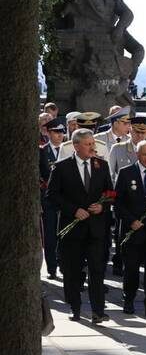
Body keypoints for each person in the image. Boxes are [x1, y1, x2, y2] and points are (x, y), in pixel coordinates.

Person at [46, 128, 114, 323]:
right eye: (88, 144)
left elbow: (110, 194)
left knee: (97, 270)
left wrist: (101, 206)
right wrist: (73, 210)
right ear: (76, 145)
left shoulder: (101, 165)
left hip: (95, 229)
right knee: (73, 271)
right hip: (72, 229)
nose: (92, 147)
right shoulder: (61, 167)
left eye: (93, 143)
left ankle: (98, 311)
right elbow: (52, 196)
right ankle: (75, 308)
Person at [114, 140, 146, 319]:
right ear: (137, 154)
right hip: (134, 231)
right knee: (131, 270)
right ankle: (128, 300)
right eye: (143, 154)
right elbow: (118, 202)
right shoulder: (126, 173)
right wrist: (131, 221)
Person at [40, 120, 67, 279]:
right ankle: (51, 268)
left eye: (61, 132)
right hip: (49, 200)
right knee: (50, 235)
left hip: (66, 199)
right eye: (56, 132)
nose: (59, 135)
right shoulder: (42, 151)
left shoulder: (69, 150)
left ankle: (64, 265)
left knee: (65, 234)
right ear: (48, 133)